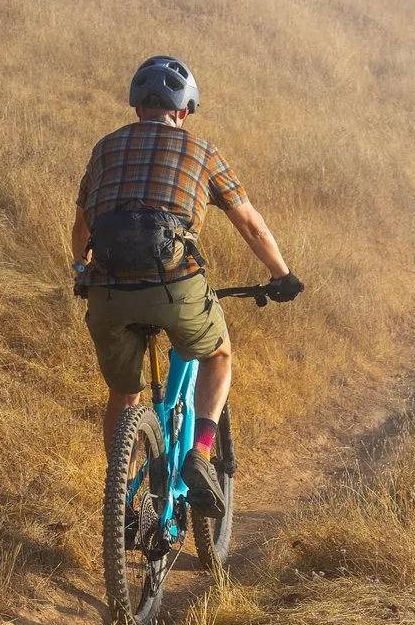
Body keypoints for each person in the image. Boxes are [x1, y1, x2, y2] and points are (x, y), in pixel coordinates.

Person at [71, 55, 300, 515]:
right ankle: (200, 452)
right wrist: (282, 275)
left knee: (123, 393)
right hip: (175, 287)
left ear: (138, 107)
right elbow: (251, 226)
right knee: (218, 355)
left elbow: (81, 227)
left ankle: (123, 495)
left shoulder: (105, 148)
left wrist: (81, 272)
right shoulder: (201, 151)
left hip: (108, 292)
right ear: (184, 110)